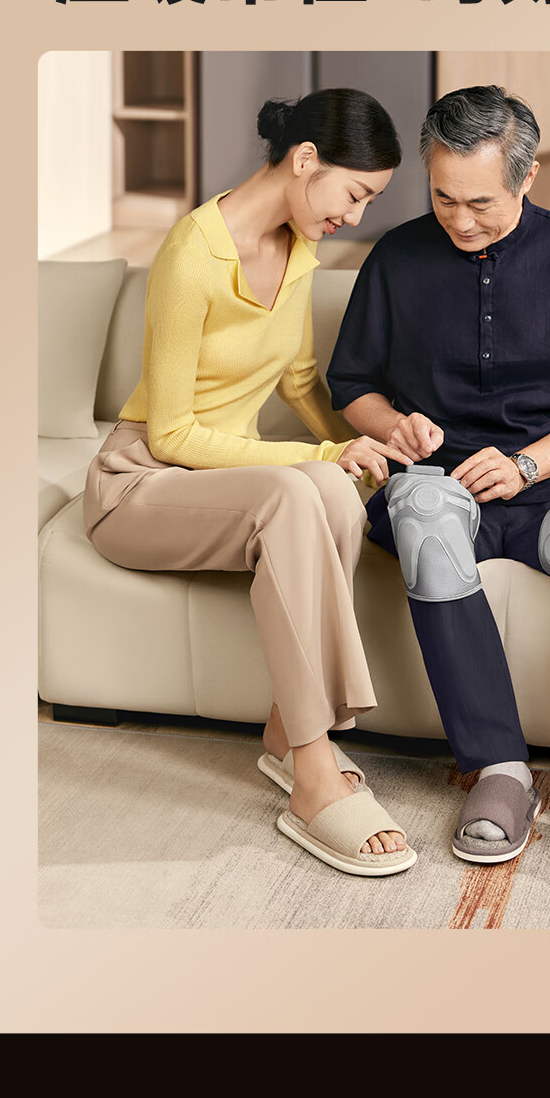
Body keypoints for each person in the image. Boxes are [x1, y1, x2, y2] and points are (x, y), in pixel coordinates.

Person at [326, 85, 550, 907]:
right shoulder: (396, 258)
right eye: (443, 198)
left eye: (481, 203)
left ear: (527, 178)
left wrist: (527, 465)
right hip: (442, 481)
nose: (459, 220)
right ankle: (498, 769)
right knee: (420, 517)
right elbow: (351, 384)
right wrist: (395, 424)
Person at [83, 87, 416, 878]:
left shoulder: (299, 247)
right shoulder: (193, 253)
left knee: (329, 491)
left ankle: (285, 730)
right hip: (141, 484)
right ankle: (313, 771)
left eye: (368, 203)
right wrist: (317, 457)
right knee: (301, 486)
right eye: (354, 194)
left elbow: (297, 378)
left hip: (224, 483)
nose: (354, 216)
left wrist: (363, 444)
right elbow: (170, 434)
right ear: (306, 161)